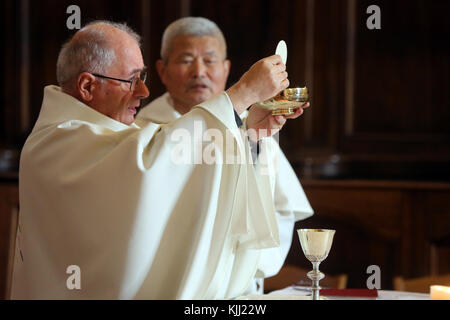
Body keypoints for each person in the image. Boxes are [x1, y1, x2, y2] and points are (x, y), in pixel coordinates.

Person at [11, 20, 305, 299]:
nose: (144, 91)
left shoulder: (123, 134)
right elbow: (150, 165)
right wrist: (241, 95)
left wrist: (249, 136)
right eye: (131, 80)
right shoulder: (57, 143)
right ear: (87, 86)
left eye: (142, 77)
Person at [136, 17, 314, 294]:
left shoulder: (253, 122)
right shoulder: (145, 130)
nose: (199, 71)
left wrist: (252, 145)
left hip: (238, 289)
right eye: (185, 60)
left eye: (209, 60)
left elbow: (279, 206)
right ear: (162, 70)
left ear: (226, 68)